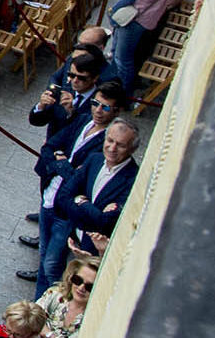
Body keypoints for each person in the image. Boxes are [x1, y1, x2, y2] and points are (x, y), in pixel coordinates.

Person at [42, 119, 141, 297]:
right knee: (51, 268)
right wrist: (92, 212)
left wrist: (82, 202)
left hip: (94, 248)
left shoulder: (133, 179)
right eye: (109, 140)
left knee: (81, 287)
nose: (112, 148)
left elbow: (105, 222)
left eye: (120, 145)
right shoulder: (94, 159)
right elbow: (64, 196)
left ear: (132, 149)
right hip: (72, 231)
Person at [35, 254, 97, 337]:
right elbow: (31, 316)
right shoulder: (55, 294)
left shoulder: (94, 319)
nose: (81, 288)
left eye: (89, 287)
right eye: (78, 280)